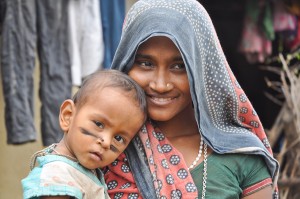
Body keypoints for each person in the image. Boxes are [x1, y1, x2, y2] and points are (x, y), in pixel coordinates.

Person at [104, 0, 280, 199]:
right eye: (146, 64)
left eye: (179, 66)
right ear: (125, 63)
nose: (160, 85)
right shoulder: (102, 146)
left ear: (202, 70)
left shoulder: (242, 156)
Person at [21, 70, 147, 199]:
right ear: (68, 115)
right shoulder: (58, 177)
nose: (106, 142)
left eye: (118, 138)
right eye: (99, 124)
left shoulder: (83, 172)